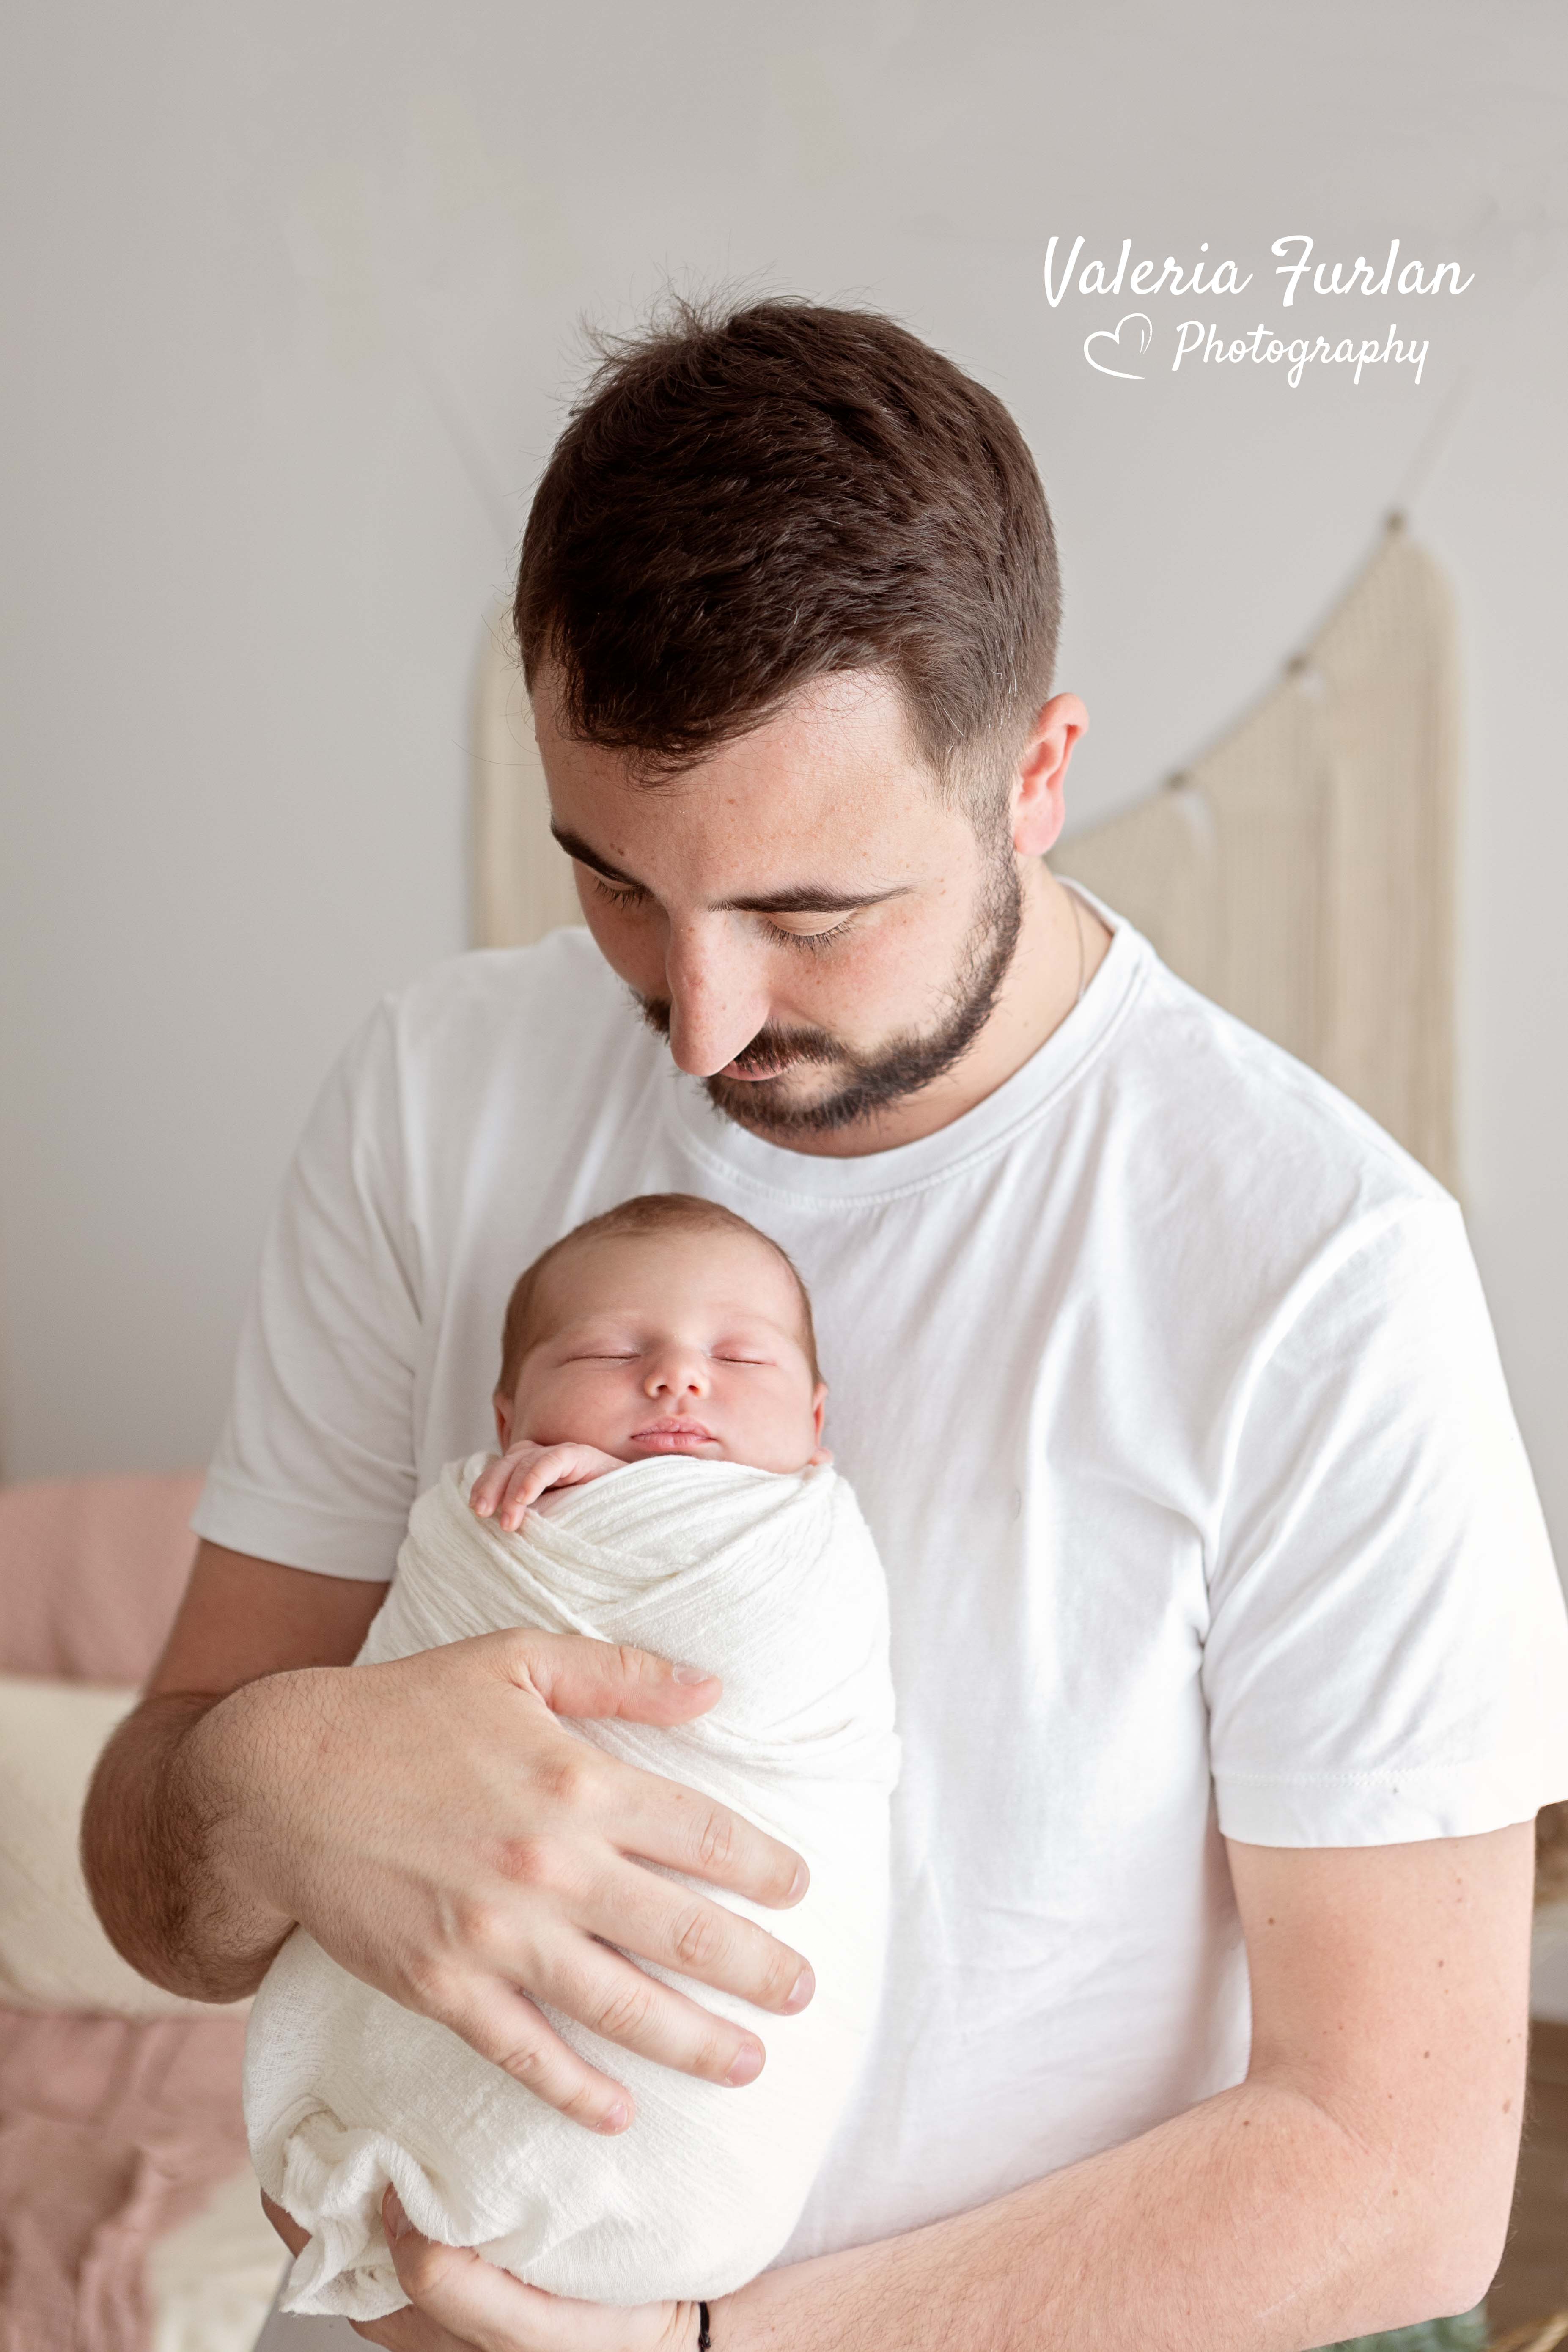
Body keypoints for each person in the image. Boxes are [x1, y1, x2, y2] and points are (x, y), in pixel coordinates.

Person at [83, 296, 1568, 2352]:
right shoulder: (436, 1093)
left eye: (807, 913)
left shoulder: (1320, 1272)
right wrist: (274, 1784)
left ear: (1037, 773)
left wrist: (707, 2350)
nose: (697, 1024)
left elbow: (1398, 2177)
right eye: (614, 882)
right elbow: (154, 1879)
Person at [244, 1194, 898, 2327]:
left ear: (816, 1420)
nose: (679, 1381)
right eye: (609, 1353)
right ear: (510, 1413)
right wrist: (540, 1526)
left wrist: (652, 1510)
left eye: (739, 1356)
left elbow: (760, 1663)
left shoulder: (811, 1548)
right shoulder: (472, 1527)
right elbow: (392, 1724)